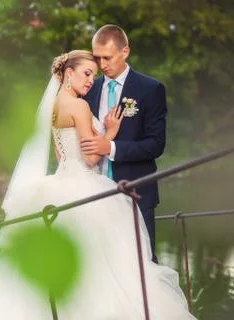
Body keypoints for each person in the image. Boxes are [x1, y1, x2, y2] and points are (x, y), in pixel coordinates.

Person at [0, 50, 195, 319]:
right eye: (87, 73)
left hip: (59, 182)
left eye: (94, 75)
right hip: (83, 184)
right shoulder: (79, 106)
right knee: (104, 267)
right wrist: (111, 132)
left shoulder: (54, 106)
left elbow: (60, 155)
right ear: (69, 73)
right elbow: (89, 158)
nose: (91, 80)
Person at [82, 25, 167, 263]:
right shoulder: (90, 90)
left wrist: (110, 148)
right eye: (97, 58)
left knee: (142, 265)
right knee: (100, 265)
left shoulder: (150, 89)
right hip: (95, 194)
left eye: (107, 57)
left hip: (136, 194)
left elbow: (156, 144)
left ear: (125, 51)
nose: (102, 65)